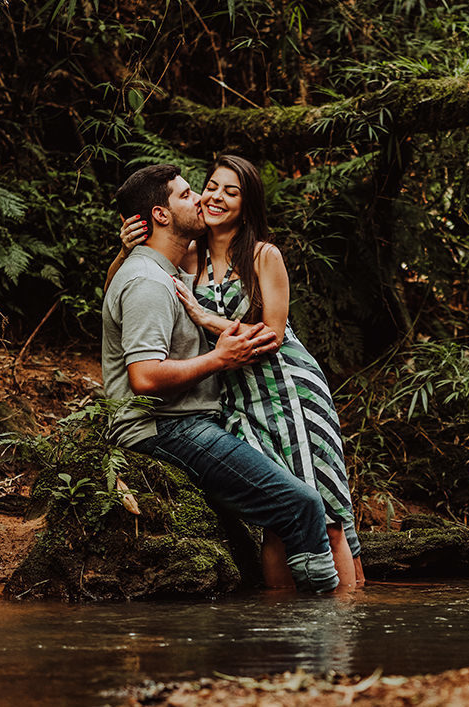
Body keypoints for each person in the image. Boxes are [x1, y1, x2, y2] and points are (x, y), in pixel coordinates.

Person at [110, 155, 364, 588]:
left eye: (232, 191)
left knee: (328, 511)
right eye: (208, 187)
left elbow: (273, 336)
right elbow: (128, 292)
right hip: (234, 397)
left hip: (286, 389)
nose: (213, 197)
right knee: (279, 515)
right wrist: (126, 249)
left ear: (248, 205)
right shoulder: (186, 255)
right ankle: (279, 628)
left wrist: (209, 322)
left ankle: (345, 629)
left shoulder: (263, 255)